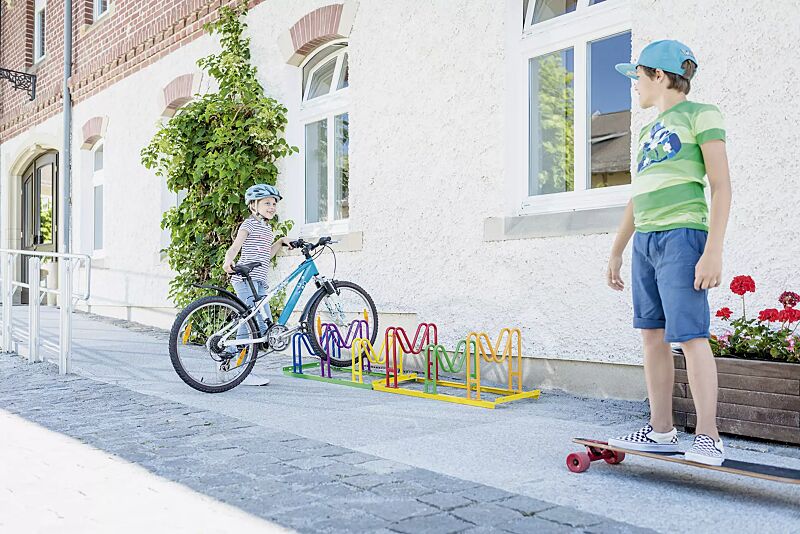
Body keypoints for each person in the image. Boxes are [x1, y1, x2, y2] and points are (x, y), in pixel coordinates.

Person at [607, 40, 732, 466]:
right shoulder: (645, 131)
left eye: (637, 77)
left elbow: (720, 185)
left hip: (683, 236)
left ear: (659, 75)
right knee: (652, 336)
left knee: (692, 336)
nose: (634, 87)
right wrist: (617, 250)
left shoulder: (701, 115)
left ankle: (709, 437)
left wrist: (713, 249)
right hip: (647, 240)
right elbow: (637, 195)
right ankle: (661, 431)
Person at [222, 184, 291, 360]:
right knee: (249, 322)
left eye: (274, 204)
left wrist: (281, 240)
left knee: (262, 323)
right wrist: (228, 260)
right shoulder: (249, 224)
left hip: (259, 282)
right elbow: (235, 246)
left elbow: (267, 254)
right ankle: (235, 359)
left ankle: (239, 360)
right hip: (245, 279)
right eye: (267, 203)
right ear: (253, 205)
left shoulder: (267, 229)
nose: (272, 207)